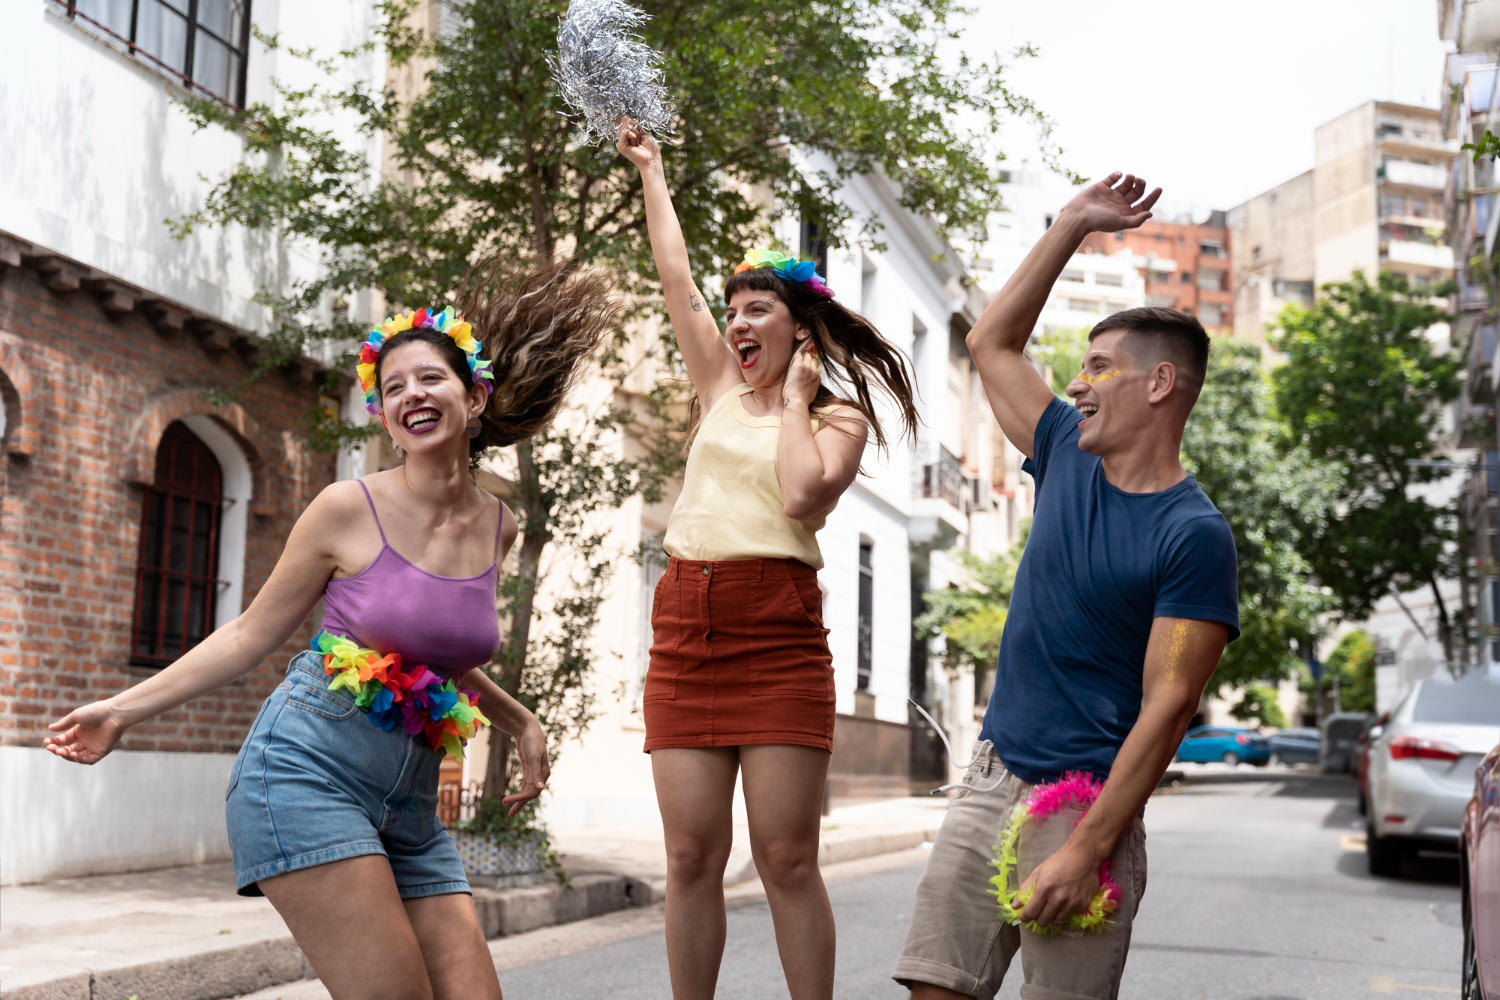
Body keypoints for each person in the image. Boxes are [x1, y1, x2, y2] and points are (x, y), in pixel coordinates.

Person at [43, 259, 618, 1000]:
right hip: (306, 772)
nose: (410, 394)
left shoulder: (499, 527)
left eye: (429, 380)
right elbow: (250, 633)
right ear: (382, 414)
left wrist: (518, 718)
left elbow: (435, 650)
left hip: (408, 800)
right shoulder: (346, 509)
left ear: (474, 398)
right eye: (393, 388)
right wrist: (120, 710)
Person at [892, 173, 1240, 1000]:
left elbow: (1167, 710)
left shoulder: (1194, 536)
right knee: (934, 987)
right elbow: (991, 345)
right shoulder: (1061, 451)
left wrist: (1088, 846)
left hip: (1086, 807)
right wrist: (1072, 226)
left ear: (1159, 386)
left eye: (1100, 367)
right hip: (991, 777)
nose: (1077, 383)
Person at [617, 120, 919, 1000]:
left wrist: (792, 399)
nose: (737, 321)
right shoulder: (714, 383)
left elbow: (799, 498)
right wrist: (654, 170)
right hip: (686, 622)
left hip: (777, 629)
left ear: (799, 329)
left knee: (786, 856)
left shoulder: (837, 420)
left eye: (758, 311)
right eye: (734, 309)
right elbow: (675, 277)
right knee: (688, 855)